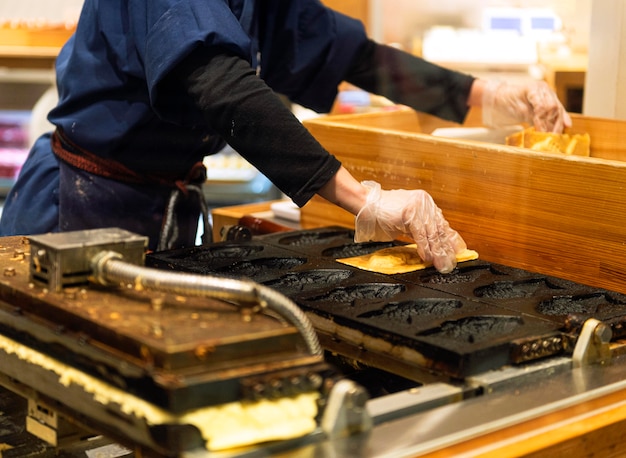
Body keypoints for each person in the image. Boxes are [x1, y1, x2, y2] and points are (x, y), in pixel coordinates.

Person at [0, 1, 570, 274]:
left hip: (162, 202)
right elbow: (219, 84)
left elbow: (354, 56)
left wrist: (481, 94)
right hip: (80, 205)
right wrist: (362, 197)